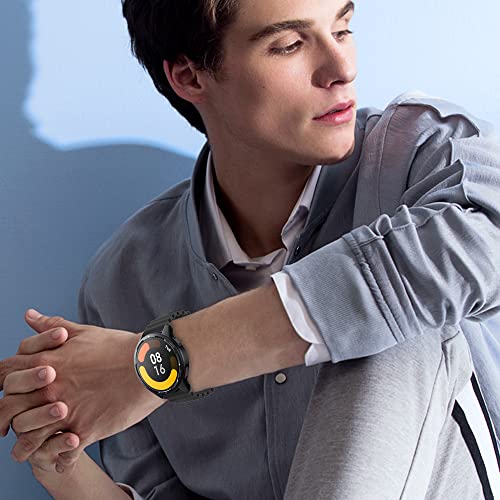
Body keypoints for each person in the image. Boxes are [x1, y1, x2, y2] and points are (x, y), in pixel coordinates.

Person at [1, 0, 499, 498]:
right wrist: (58, 455)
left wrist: (164, 362)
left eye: (342, 29)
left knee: (399, 309)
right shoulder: (125, 281)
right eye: (290, 45)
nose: (342, 69)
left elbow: (483, 248)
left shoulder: (422, 157)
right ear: (189, 77)